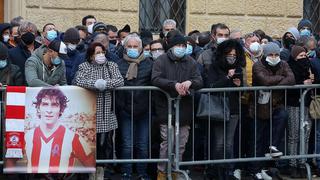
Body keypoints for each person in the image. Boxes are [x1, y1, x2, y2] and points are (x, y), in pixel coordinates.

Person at [152, 33, 203, 179]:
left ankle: (175, 170)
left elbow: (200, 80)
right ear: (171, 46)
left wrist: (190, 83)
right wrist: (173, 85)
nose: (180, 48)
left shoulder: (191, 61)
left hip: (184, 109)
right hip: (165, 108)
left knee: (181, 143)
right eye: (178, 45)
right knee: (167, 142)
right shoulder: (161, 60)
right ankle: (161, 172)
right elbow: (155, 79)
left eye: (183, 46)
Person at [73, 42, 124, 179]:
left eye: (102, 52)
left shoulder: (111, 65)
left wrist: (105, 84)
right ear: (91, 55)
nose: (101, 55)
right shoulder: (84, 66)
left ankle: (100, 171)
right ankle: (90, 172)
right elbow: (78, 80)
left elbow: (119, 81)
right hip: (88, 111)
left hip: (105, 112)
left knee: (103, 144)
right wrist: (95, 84)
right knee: (89, 144)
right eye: (97, 53)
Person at [250, 42, 295, 178]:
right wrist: (282, 79)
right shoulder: (258, 65)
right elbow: (264, 80)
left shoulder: (284, 64)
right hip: (259, 106)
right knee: (257, 139)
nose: (274, 57)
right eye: (271, 54)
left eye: (276, 54)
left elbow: (291, 79)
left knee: (283, 116)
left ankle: (272, 151)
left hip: (276, 104)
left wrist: (275, 83)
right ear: (265, 54)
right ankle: (255, 168)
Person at [25, 87, 95, 173]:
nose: (49, 110)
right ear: (38, 108)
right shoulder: (27, 136)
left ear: (61, 109)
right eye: (45, 104)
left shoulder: (74, 138)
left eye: (54, 105)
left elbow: (91, 167)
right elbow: (10, 162)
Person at [205, 39, 245, 179]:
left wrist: (239, 85)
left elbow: (242, 91)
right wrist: (227, 77)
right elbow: (211, 87)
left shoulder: (238, 68)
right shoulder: (214, 67)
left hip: (233, 109)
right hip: (218, 109)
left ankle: (228, 171)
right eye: (229, 55)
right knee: (219, 143)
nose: (232, 58)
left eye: (234, 56)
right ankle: (216, 172)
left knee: (228, 144)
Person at [116, 34, 153, 180]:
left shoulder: (149, 63)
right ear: (124, 48)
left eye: (135, 46)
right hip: (125, 110)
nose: (132, 49)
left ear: (141, 47)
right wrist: (121, 105)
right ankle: (126, 172)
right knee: (127, 143)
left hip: (144, 110)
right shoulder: (119, 64)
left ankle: (142, 172)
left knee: (143, 143)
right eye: (129, 47)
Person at [287, 45, 313, 178]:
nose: (303, 58)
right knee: (294, 135)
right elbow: (290, 84)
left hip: (307, 104)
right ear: (294, 56)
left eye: (305, 55)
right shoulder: (289, 67)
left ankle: (302, 163)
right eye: (300, 56)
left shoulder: (309, 67)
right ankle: (292, 164)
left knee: (306, 135)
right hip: (294, 105)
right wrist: (303, 83)